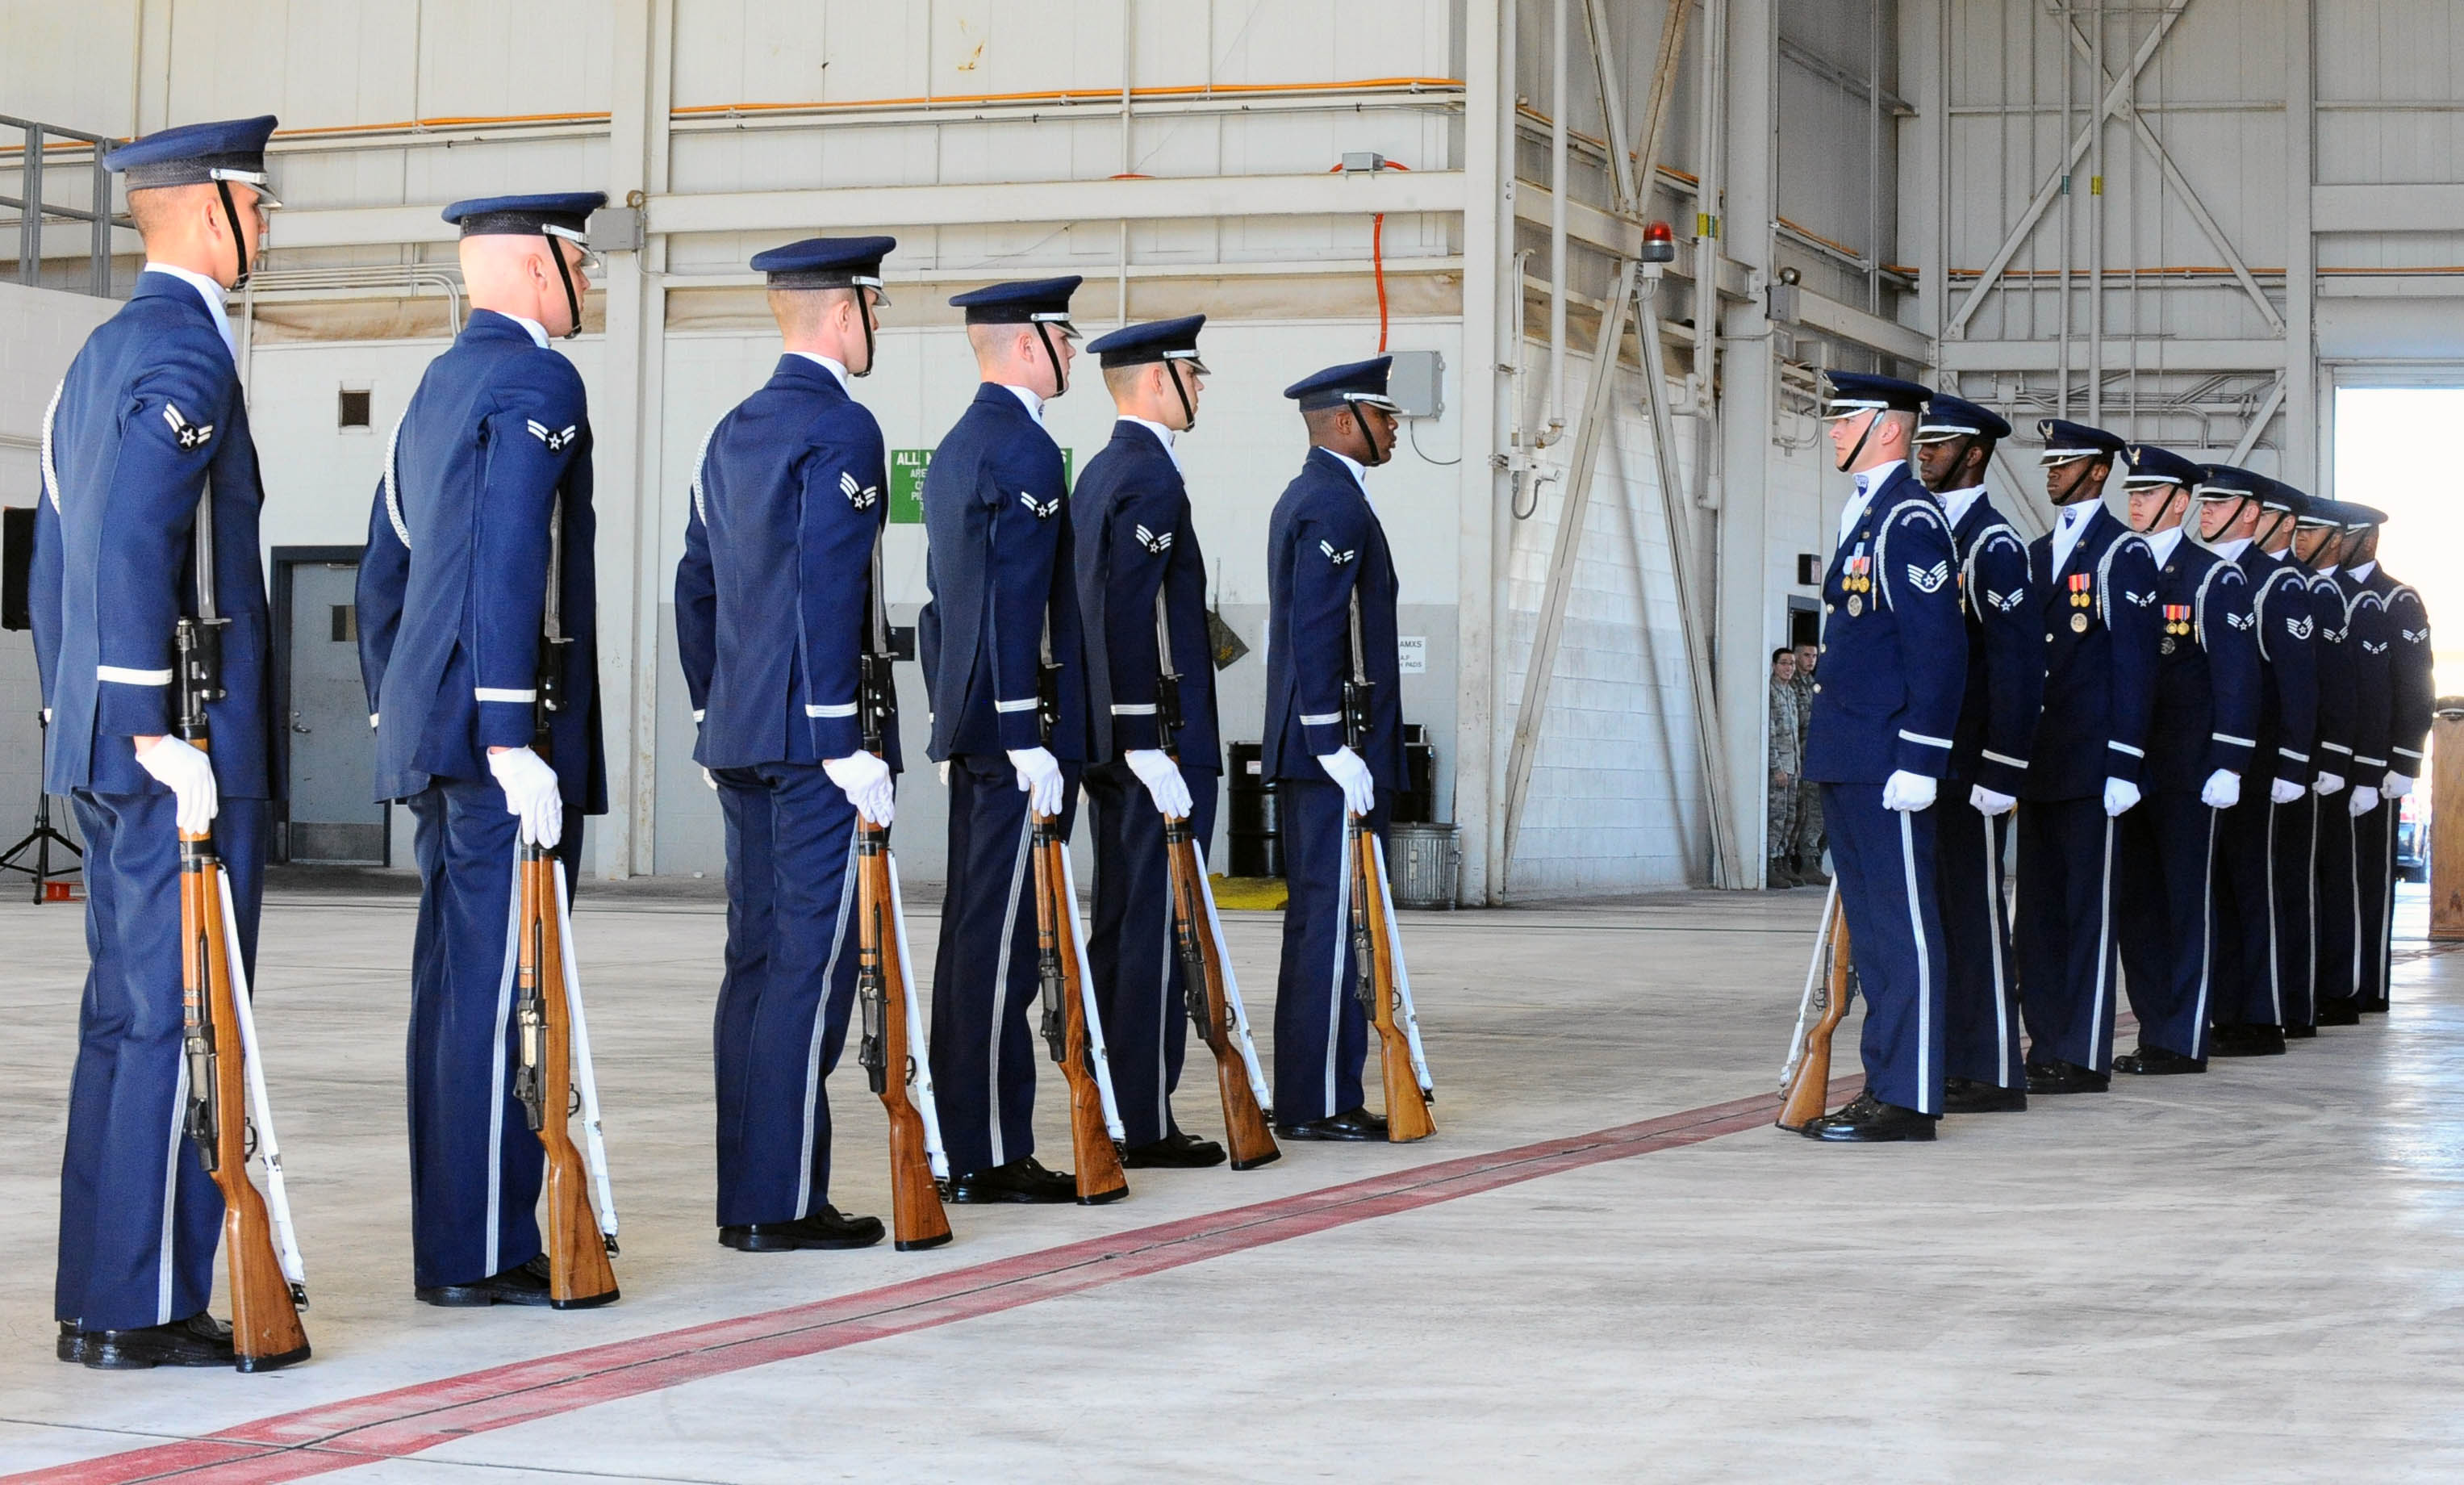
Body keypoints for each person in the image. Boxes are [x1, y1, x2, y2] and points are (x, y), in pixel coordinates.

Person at [31, 116, 286, 1370]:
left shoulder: (97, 354)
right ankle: (145, 1303)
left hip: (112, 737)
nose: (270, 222)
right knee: (182, 1016)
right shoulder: (187, 352)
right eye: (259, 200)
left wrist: (78, 715)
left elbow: (51, 555)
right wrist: (151, 728)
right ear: (208, 211)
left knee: (127, 1016)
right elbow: (132, 538)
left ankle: (104, 1294)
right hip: (177, 744)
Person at [357, 190, 611, 1306]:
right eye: (579, 258)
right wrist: (510, 729)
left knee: (462, 988)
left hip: (440, 728)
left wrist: (400, 703)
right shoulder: (536, 379)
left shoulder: (436, 384)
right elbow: (512, 553)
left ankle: (468, 1238)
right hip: (504, 737)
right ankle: (479, 1250)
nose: (590, 278)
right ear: (533, 266)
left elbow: (386, 567)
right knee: (501, 990)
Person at [672, 236, 900, 1252]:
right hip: (812, 749)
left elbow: (696, 584)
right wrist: (842, 739)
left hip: (738, 736)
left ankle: (748, 1193)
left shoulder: (731, 431)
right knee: (808, 966)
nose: (875, 327)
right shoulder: (841, 428)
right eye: (874, 309)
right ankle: (784, 1202)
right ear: (844, 313)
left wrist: (711, 706)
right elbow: (825, 588)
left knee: (755, 964)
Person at [916, 277, 1094, 1203]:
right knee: (999, 951)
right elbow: (1007, 606)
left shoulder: (964, 443)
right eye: (1066, 335)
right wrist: (1025, 730)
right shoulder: (1019, 448)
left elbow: (943, 611)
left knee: (978, 939)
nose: (1075, 350)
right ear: (1030, 344)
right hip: (1009, 734)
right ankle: (986, 1150)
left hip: (979, 728)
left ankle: (972, 1139)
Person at [1071, 316, 1229, 1168]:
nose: (1201, 387)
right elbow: (1127, 612)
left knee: (1125, 921)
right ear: (1157, 380)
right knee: (1159, 928)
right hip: (1157, 743)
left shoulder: (1101, 471)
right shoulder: (1150, 480)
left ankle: (1115, 1096)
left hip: (1116, 739)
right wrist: (1147, 740)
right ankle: (1144, 1116)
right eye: (1193, 374)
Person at [1794, 372, 1965, 1144]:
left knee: (1904, 933)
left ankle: (1908, 1095)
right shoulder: (1865, 514)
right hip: (1851, 752)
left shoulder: (1908, 521)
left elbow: (1939, 648)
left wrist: (1923, 756)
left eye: (1846, 420)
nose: (1832, 432)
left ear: (1887, 429)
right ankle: (1885, 1083)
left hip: (1889, 756)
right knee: (1873, 932)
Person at [1261, 356, 1407, 1140]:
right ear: (1347, 421)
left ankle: (1311, 1092)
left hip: (1324, 752)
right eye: (1385, 417)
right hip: (1334, 755)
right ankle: (1320, 1099)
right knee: (1334, 923)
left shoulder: (1312, 494)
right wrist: (1334, 746)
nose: (1394, 430)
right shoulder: (1334, 506)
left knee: (1325, 921)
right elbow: (1316, 630)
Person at [2014, 420, 2161, 1096]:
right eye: (2048, 461)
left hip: (2094, 765)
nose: (2052, 472)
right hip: (2044, 762)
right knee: (2038, 916)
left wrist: (2125, 762)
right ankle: (2045, 1041)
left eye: (2065, 462)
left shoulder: (2120, 554)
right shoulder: (2040, 551)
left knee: (2087, 915)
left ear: (2099, 472)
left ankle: (2081, 1052)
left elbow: (2135, 667)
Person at [2110, 445, 2258, 1073]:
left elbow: (2237, 677)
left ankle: (2181, 1037)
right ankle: (2153, 1030)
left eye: (2148, 493)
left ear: (2180, 500)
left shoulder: (2211, 578)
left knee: (2184, 907)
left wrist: (2230, 759)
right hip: (2134, 769)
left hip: (2188, 772)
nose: (2135, 502)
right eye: (2132, 492)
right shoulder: (2128, 567)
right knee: (2139, 909)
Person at [1911, 392, 2040, 1112]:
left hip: (1972, 768)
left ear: (1977, 454)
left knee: (1977, 916)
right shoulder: (1928, 534)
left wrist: (2003, 766)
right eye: (1924, 442)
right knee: (1938, 916)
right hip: (1931, 764)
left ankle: (1992, 1068)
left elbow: (2020, 668)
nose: (1926, 452)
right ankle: (1952, 1055)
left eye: (1942, 444)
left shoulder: (1993, 544)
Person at [2194, 469, 2317, 1058]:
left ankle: (2263, 1014)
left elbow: (2297, 683)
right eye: (2204, 502)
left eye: (2222, 504)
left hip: (2261, 761)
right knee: (2217, 888)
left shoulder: (2278, 584)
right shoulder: (2210, 572)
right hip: (2213, 759)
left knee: (2253, 883)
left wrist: (2293, 763)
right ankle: (2226, 1008)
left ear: (2259, 515)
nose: (2207, 512)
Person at [2353, 511, 2433, 1012]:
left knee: (2369, 877)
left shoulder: (2396, 599)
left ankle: (2370, 987)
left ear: (2367, 540)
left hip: (2378, 765)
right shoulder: (2321, 591)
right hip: (2335, 761)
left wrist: (2405, 759)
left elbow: (2415, 682)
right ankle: (2336, 982)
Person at [2288, 496, 2362, 1028]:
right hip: (2290, 760)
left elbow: (2346, 687)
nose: (2300, 540)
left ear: (2335, 539)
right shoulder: (2292, 586)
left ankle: (2332, 988)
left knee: (2329, 878)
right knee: (2294, 879)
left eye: (2310, 533)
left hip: (2320, 761)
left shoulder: (2334, 596)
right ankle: (2301, 989)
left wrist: (2339, 758)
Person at [1789, 640, 1826, 883]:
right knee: (1804, 812)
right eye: (1805, 655)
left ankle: (1815, 858)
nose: (1810, 660)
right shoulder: (1791, 686)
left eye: (1813, 656)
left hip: (1816, 755)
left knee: (1817, 810)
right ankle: (1805, 860)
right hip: (1798, 756)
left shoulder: (1815, 686)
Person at [1767, 648, 1802, 889]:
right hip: (1780, 765)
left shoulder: (1790, 692)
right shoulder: (1771, 692)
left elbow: (1795, 734)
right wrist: (1776, 767)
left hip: (1793, 765)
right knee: (1777, 817)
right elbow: (1771, 733)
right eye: (1784, 663)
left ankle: (1782, 861)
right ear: (1774, 665)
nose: (1788, 668)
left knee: (1790, 817)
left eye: (1791, 663)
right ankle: (1770, 862)